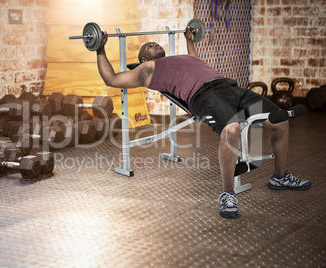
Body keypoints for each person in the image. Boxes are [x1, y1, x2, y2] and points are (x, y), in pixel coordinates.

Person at [96, 26, 311, 218]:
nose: (155, 44)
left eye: (155, 43)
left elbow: (195, 60)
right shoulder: (147, 69)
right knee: (232, 129)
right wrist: (100, 48)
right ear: (144, 59)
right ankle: (228, 194)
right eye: (149, 46)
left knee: (280, 119)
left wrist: (190, 40)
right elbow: (111, 79)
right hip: (205, 96)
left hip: (230, 88)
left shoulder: (184, 58)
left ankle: (280, 177)